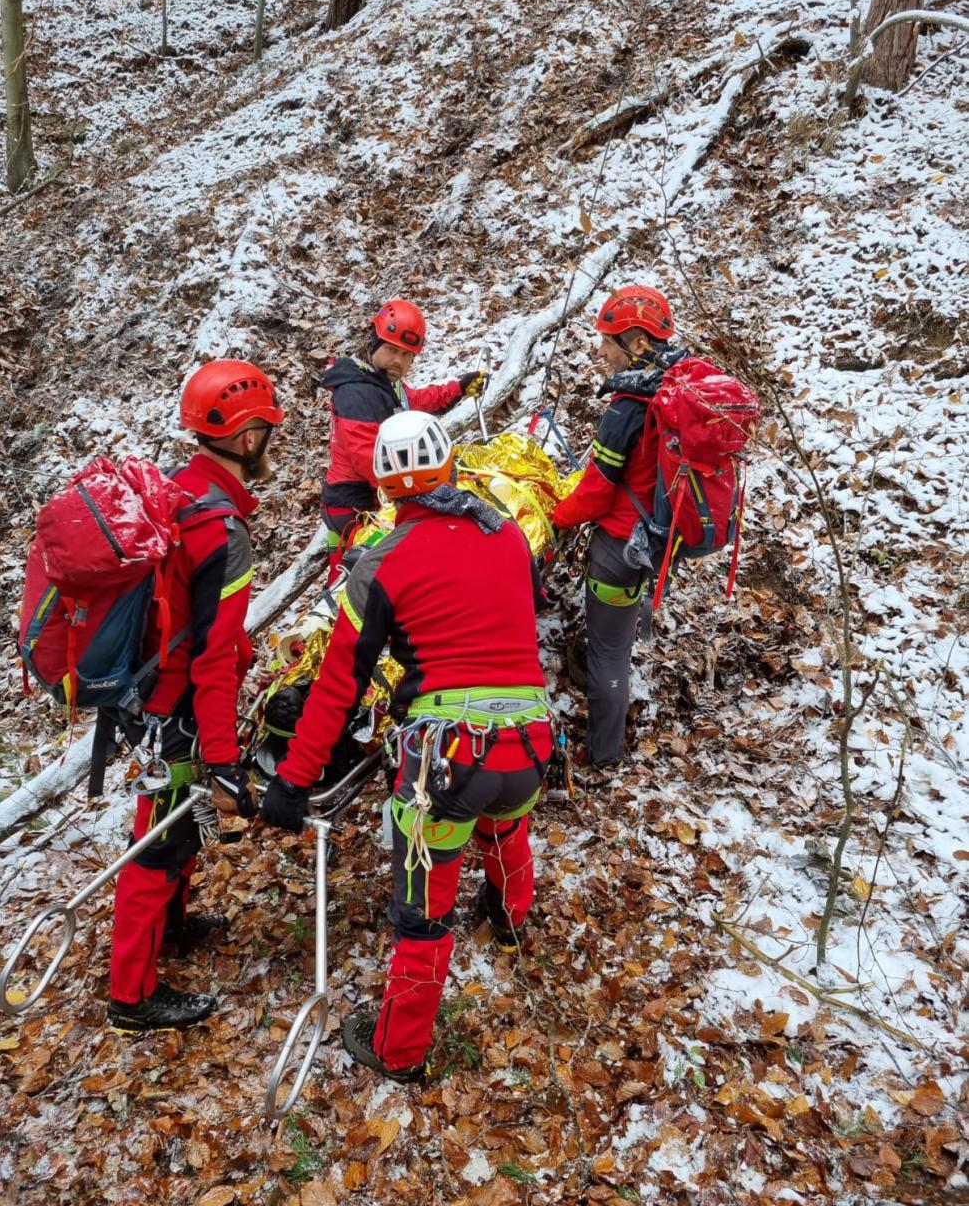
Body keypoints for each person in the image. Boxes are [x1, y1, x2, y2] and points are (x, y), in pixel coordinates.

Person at [261, 410, 552, 1081]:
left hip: (446, 763)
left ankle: (398, 1051)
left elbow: (338, 688)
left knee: (422, 915)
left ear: (386, 489)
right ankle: (509, 915)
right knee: (505, 824)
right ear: (448, 465)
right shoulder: (505, 532)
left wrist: (294, 781)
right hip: (530, 743)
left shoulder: (380, 566)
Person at [107, 360, 285, 1033]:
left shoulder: (180, 487)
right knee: (156, 840)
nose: (272, 439)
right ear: (245, 439)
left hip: (149, 689)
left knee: (175, 821)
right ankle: (131, 995)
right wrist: (224, 757)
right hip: (173, 704)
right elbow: (213, 657)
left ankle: (171, 930)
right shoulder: (225, 534)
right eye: (267, 429)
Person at [551, 285, 690, 771]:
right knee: (620, 635)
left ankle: (604, 755)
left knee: (607, 654)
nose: (601, 350)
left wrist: (553, 516)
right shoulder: (674, 386)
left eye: (607, 340)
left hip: (618, 550)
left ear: (635, 342)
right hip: (654, 536)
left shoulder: (629, 405)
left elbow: (596, 494)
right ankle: (636, 624)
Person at [321, 299, 486, 559]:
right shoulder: (355, 392)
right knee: (353, 574)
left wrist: (458, 389)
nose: (398, 361)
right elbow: (369, 459)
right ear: (373, 342)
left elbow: (415, 401)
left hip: (377, 493)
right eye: (391, 349)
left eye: (406, 355)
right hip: (353, 503)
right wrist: (415, 496)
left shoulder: (383, 381)